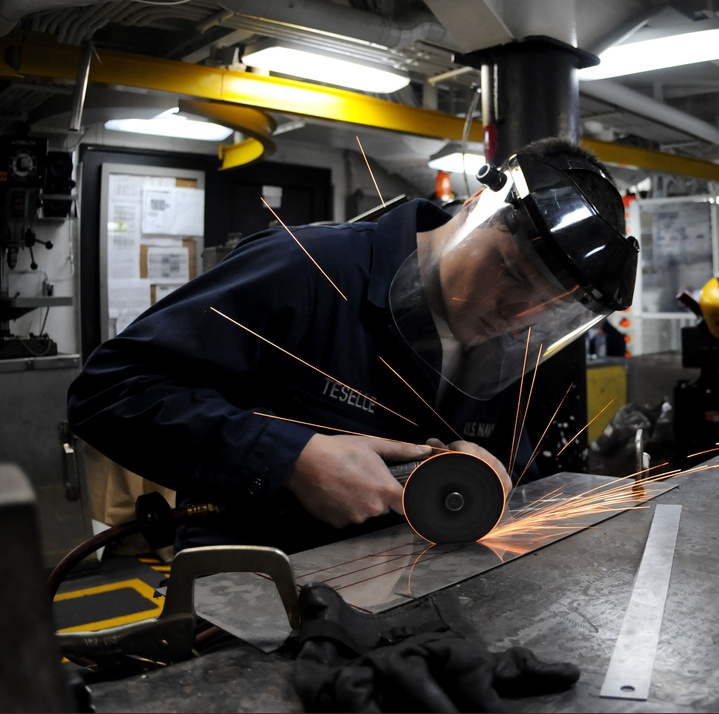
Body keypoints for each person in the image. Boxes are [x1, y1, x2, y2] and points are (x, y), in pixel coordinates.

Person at [67, 137, 639, 554]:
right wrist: (289, 457)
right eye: (511, 273)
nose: (516, 314)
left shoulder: (522, 335)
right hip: (257, 592)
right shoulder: (307, 268)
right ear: (474, 209)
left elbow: (523, 457)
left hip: (412, 585)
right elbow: (109, 391)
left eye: (547, 306)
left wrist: (499, 471)